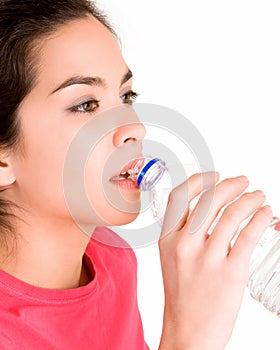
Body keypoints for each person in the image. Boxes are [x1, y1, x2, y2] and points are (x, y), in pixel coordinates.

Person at [0, 1, 272, 349]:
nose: (134, 128)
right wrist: (190, 336)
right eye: (85, 105)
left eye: (126, 96)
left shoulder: (111, 259)